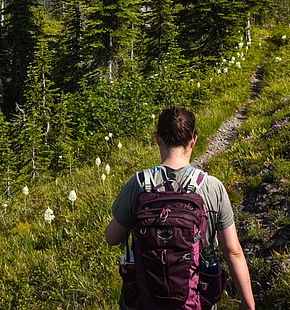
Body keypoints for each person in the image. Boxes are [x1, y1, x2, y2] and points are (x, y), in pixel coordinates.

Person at [105, 107, 257, 310]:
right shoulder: (212, 187)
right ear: (193, 140)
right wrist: (249, 306)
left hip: (144, 301)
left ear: (158, 138)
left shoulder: (138, 184)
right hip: (196, 302)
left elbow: (111, 237)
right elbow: (233, 252)